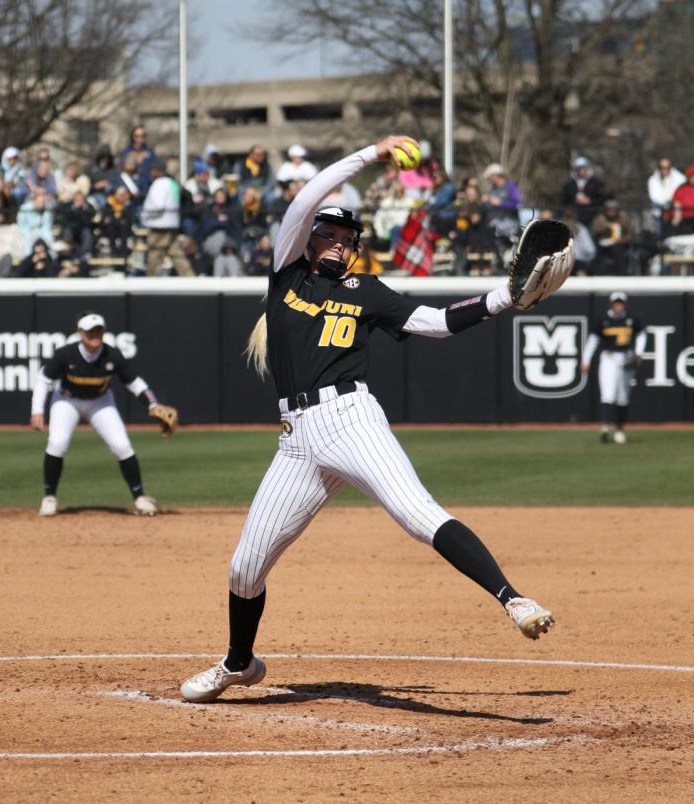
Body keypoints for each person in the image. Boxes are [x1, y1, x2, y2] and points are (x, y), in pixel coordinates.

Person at [178, 135, 571, 703]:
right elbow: (306, 196)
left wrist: (504, 299)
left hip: (349, 418)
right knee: (244, 569)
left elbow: (435, 322)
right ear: (309, 240)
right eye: (327, 234)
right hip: (296, 441)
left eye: (346, 238)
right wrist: (372, 154)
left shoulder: (367, 291)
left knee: (417, 514)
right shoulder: (287, 275)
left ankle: (514, 600)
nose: (336, 243)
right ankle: (239, 663)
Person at [30, 311, 175, 517]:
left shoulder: (112, 355)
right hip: (67, 400)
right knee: (57, 443)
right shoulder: (66, 354)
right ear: (80, 333)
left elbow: (135, 384)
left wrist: (152, 404)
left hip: (100, 401)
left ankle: (140, 497)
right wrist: (37, 410)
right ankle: (49, 497)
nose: (94, 335)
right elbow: (43, 379)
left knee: (122, 446)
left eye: (98, 330)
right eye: (90, 331)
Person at [580, 291, 646, 444]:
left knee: (623, 396)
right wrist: (586, 360)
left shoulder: (631, 320)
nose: (618, 305)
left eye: (621, 303)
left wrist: (639, 352)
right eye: (616, 303)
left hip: (626, 358)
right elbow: (593, 341)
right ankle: (604, 426)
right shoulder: (603, 320)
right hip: (609, 358)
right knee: (607, 392)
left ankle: (619, 430)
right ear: (612, 304)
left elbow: (642, 333)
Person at [140, 159, 194, 276]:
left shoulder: (159, 183)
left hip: (158, 225)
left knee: (154, 255)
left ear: (156, 171)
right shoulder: (173, 183)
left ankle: (150, 281)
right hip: (171, 224)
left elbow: (158, 205)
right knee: (177, 254)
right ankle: (189, 277)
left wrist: (145, 215)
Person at [560, 156, 607, 226]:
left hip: (592, 217)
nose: (581, 171)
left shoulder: (597, 183)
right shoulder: (569, 184)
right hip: (574, 217)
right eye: (579, 169)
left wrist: (590, 201)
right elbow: (564, 200)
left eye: (583, 168)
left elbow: (602, 198)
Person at [590, 199, 633, 274]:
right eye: (609, 210)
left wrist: (622, 240)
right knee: (596, 253)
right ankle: (594, 272)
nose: (611, 212)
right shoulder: (600, 218)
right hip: (603, 242)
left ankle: (621, 273)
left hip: (618, 243)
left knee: (618, 252)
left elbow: (630, 233)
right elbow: (595, 230)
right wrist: (605, 228)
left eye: (614, 210)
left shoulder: (624, 218)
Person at [646, 158, 685, 233]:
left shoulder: (679, 178)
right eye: (662, 167)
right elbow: (655, 197)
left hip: (674, 207)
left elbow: (679, 194)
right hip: (660, 208)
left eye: (667, 167)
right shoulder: (653, 180)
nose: (664, 170)